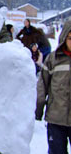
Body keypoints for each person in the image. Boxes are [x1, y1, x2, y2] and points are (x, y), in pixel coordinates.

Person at [35, 20, 71, 154]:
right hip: (56, 119)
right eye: (70, 38)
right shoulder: (53, 59)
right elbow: (42, 86)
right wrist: (38, 111)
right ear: (64, 37)